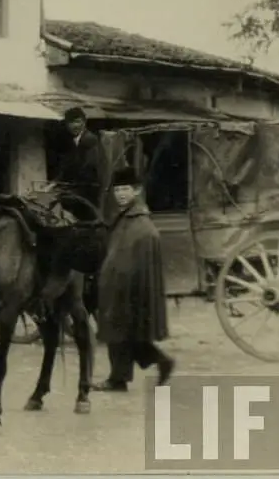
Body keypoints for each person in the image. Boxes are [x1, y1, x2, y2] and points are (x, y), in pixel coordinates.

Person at [93, 166, 174, 392]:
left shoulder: (139, 223)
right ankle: (154, 365)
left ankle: (121, 378)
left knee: (121, 331)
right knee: (124, 333)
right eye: (117, 189)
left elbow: (132, 252)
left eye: (125, 189)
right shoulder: (124, 217)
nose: (120, 194)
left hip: (127, 288)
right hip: (117, 285)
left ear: (136, 191)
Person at [52, 107, 104, 220]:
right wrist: (56, 182)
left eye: (77, 121)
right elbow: (67, 165)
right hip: (78, 189)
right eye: (71, 122)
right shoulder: (73, 141)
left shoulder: (90, 140)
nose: (74, 126)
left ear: (84, 122)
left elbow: (89, 167)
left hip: (88, 190)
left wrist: (70, 185)